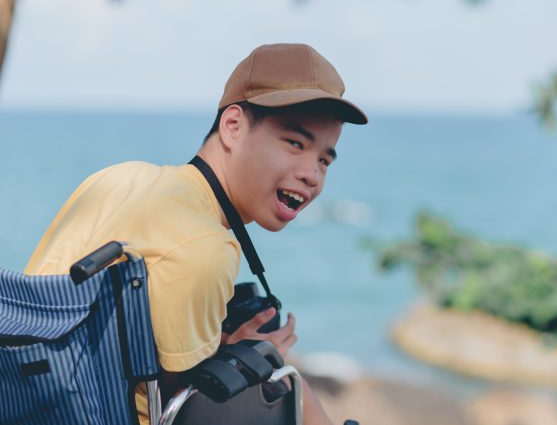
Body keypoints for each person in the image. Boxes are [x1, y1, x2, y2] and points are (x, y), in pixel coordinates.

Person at [23, 43, 368, 425]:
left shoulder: (116, 178)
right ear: (233, 127)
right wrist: (248, 357)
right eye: (295, 143)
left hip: (32, 400)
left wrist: (226, 348)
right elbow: (180, 407)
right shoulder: (208, 248)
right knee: (285, 383)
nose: (312, 173)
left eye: (324, 159)